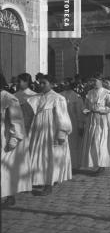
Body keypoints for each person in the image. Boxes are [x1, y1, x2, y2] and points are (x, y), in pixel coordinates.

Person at [28, 75, 73, 196]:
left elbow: (62, 117)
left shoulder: (58, 98)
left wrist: (62, 133)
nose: (41, 85)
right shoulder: (36, 97)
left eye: (44, 83)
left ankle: (49, 185)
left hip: (51, 131)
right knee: (39, 155)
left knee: (50, 157)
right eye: (40, 83)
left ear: (52, 84)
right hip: (38, 131)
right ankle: (40, 179)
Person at [1, 73, 32, 206]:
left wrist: (15, 137)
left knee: (5, 167)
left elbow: (17, 120)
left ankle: (9, 196)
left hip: (5, 136)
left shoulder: (9, 98)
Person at [81, 75, 110, 175]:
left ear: (101, 82)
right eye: (93, 81)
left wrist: (100, 110)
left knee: (101, 141)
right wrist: (85, 111)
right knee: (94, 141)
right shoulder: (90, 93)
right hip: (92, 120)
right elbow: (86, 106)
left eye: (96, 81)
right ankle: (96, 162)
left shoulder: (107, 93)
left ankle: (102, 164)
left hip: (103, 121)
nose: (94, 83)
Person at [60, 78, 85, 171]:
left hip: (73, 122)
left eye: (66, 83)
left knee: (73, 144)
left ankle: (74, 164)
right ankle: (63, 164)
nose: (64, 84)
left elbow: (79, 112)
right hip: (62, 122)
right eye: (64, 83)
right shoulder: (60, 95)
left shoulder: (76, 96)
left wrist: (80, 125)